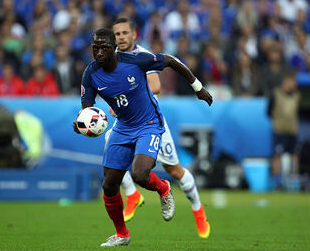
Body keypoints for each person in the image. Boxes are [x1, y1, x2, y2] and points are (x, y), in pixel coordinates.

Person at [73, 28, 212, 247]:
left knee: (139, 174)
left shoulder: (136, 61)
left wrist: (198, 87)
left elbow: (171, 61)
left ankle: (164, 189)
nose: (99, 53)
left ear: (114, 48)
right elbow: (87, 110)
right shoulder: (90, 73)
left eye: (104, 48)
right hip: (123, 127)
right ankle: (122, 234)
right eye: (95, 48)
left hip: (148, 123)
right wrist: (81, 123)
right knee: (109, 185)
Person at [111, 17, 210, 239]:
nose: (121, 37)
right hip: (127, 121)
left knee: (175, 170)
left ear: (134, 34)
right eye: (117, 34)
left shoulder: (142, 56)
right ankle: (132, 195)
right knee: (109, 143)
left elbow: (155, 86)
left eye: (125, 33)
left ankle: (198, 210)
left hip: (151, 122)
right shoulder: (112, 59)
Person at [267, 72, 300, 188]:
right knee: (277, 155)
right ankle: (277, 182)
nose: (295, 84)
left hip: (292, 130)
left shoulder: (297, 95)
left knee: (294, 155)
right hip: (279, 130)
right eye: (293, 81)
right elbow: (268, 111)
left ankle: (294, 182)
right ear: (286, 81)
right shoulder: (276, 94)